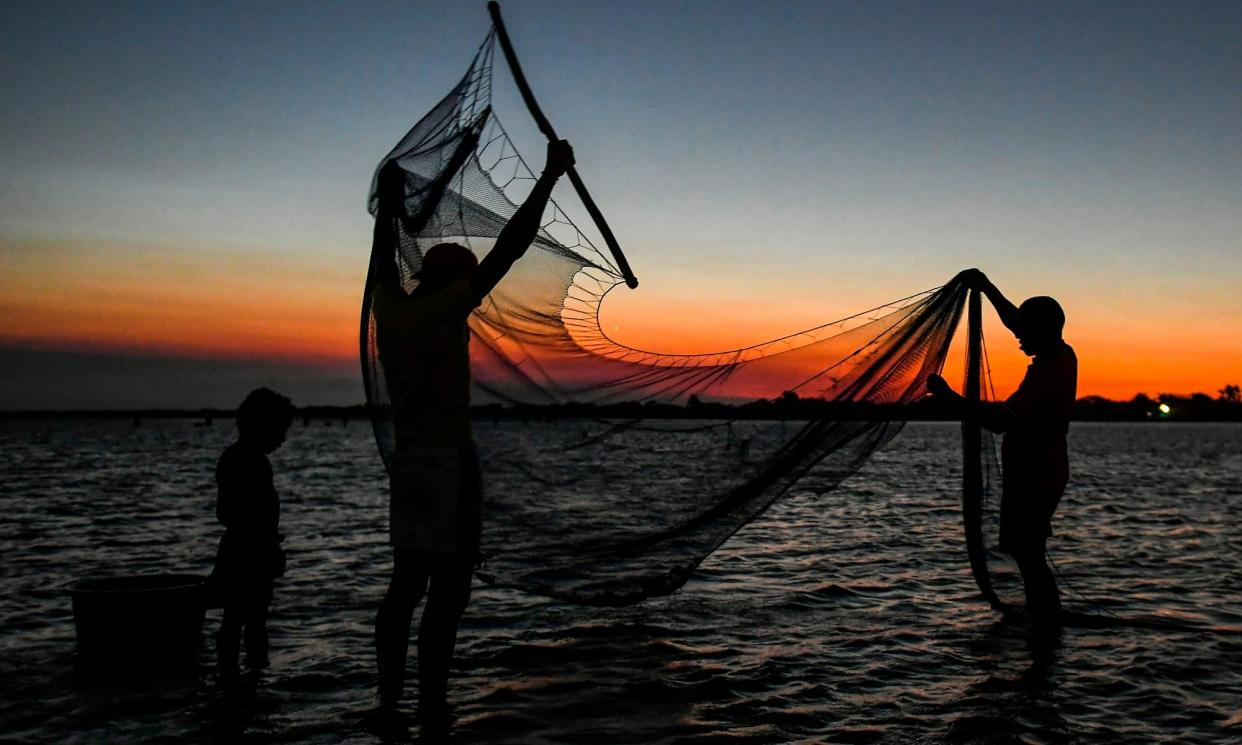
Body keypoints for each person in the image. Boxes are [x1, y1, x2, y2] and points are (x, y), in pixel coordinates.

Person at [371, 139, 576, 720]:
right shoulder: (444, 309)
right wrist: (549, 176)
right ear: (456, 284)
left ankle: (389, 699)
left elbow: (383, 256)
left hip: (409, 467)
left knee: (404, 586)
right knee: (449, 591)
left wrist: (389, 207)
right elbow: (511, 248)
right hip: (449, 466)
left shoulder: (389, 306)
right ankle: (432, 705)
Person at [927, 268, 1077, 628]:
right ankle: (1045, 628)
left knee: (1029, 557)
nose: (1017, 336)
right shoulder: (1058, 353)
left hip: (1037, 476)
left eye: (1025, 330)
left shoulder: (1050, 371)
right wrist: (988, 287)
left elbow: (999, 421)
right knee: (1030, 555)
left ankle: (1045, 626)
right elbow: (1016, 321)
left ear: (1041, 330)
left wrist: (950, 397)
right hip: (1034, 472)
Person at [211, 387, 295, 678]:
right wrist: (262, 541)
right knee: (242, 620)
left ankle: (241, 676)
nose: (283, 439)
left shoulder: (243, 458)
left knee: (246, 619)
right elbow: (228, 512)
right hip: (246, 554)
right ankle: (245, 674)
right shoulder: (246, 461)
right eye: (279, 430)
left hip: (249, 550)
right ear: (261, 426)